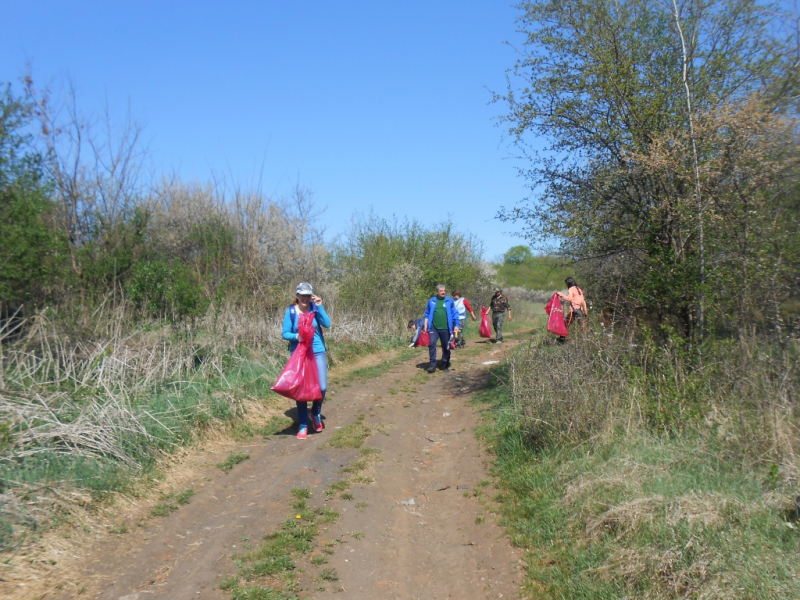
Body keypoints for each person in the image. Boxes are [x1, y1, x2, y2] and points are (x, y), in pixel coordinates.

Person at [282, 282, 331, 439]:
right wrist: (297, 336)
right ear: (297, 295)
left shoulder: (315, 309)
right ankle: (303, 424)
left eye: (308, 295)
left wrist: (320, 306)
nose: (305, 298)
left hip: (317, 351)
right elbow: (285, 333)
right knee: (301, 390)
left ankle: (315, 413)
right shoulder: (291, 311)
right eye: (302, 295)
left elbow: (327, 324)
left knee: (322, 387)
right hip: (299, 353)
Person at [423, 284, 460, 373]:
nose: (443, 292)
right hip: (433, 327)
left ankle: (445, 363)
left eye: (444, 291)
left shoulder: (449, 301)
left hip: (446, 328)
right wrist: (425, 324)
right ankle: (432, 365)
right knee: (432, 344)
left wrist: (457, 325)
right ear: (437, 292)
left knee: (446, 347)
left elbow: (455, 313)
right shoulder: (431, 301)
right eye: (441, 291)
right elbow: (427, 314)